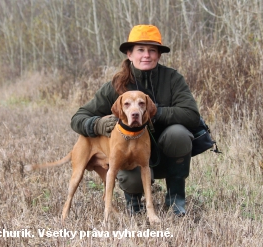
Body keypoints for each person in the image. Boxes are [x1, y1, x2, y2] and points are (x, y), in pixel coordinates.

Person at [70, 24, 200, 216]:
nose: (146, 55)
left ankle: (176, 202)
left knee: (178, 134)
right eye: (140, 50)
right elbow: (78, 118)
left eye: (152, 50)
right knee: (131, 175)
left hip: (165, 155)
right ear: (129, 54)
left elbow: (192, 115)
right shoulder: (116, 86)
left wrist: (151, 113)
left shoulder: (172, 79)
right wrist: (97, 125)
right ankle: (134, 203)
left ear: (158, 55)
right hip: (130, 155)